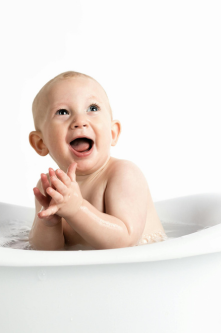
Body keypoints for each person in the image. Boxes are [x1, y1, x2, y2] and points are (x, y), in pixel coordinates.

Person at [28, 71, 166, 250]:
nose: (80, 121)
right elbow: (46, 252)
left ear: (112, 133)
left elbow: (126, 241)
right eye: (62, 112)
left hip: (143, 268)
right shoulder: (50, 186)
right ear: (41, 143)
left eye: (92, 108)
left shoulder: (123, 174)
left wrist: (77, 209)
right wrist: (48, 224)